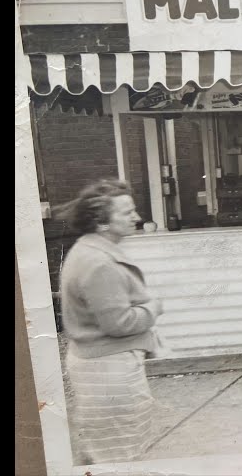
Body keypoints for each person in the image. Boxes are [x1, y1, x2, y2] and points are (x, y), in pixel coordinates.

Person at [59, 179, 162, 464]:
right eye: (127, 213)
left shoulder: (89, 251)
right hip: (109, 372)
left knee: (103, 453)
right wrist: (153, 307)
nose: (137, 218)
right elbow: (119, 323)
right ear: (102, 223)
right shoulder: (100, 263)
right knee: (119, 456)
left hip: (98, 366)